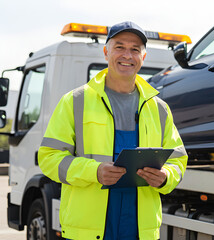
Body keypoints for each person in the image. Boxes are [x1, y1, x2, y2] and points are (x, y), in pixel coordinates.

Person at [38, 21, 187, 240]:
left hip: (139, 231)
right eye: (119, 47)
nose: (127, 55)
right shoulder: (75, 101)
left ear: (143, 57)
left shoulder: (159, 108)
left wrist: (166, 177)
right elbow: (49, 158)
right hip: (87, 231)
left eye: (135, 49)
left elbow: (178, 159)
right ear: (106, 51)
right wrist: (94, 171)